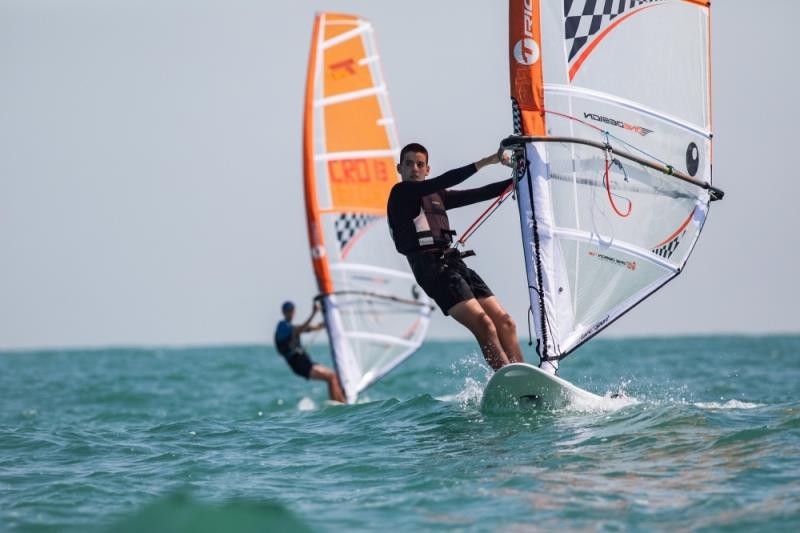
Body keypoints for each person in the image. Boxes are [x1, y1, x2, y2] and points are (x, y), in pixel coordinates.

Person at [387, 142, 540, 373]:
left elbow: (480, 193)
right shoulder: (401, 193)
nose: (414, 169)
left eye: (420, 165)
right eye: (408, 164)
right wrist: (490, 160)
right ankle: (506, 377)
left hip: (455, 264)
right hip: (432, 271)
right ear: (399, 168)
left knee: (506, 322)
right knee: (484, 324)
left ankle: (525, 377)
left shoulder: (436, 195)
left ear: (427, 169)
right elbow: (447, 179)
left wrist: (521, 177)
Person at [274, 300, 346, 403]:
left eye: (291, 310)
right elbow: (300, 329)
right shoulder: (282, 326)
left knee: (334, 377)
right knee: (331, 377)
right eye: (287, 311)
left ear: (294, 311)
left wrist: (328, 319)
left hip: (305, 362)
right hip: (299, 365)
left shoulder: (292, 327)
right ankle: (339, 406)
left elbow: (313, 327)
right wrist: (313, 313)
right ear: (283, 312)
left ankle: (343, 402)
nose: (290, 313)